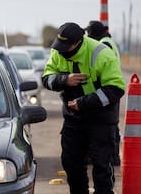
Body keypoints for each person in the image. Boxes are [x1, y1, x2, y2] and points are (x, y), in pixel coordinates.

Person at [42, 22, 125, 194]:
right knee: (71, 162)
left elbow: (116, 88)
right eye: (60, 46)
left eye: (66, 47)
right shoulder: (58, 52)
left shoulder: (101, 54)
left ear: (78, 43)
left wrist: (84, 103)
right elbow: (47, 79)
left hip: (101, 119)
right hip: (74, 119)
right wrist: (64, 80)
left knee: (102, 165)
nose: (62, 51)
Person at [85, 20, 122, 166]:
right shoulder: (108, 40)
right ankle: (113, 157)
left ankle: (112, 158)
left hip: (108, 89)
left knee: (109, 124)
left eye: (89, 32)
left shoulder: (104, 45)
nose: (88, 35)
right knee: (111, 124)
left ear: (94, 32)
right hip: (110, 88)